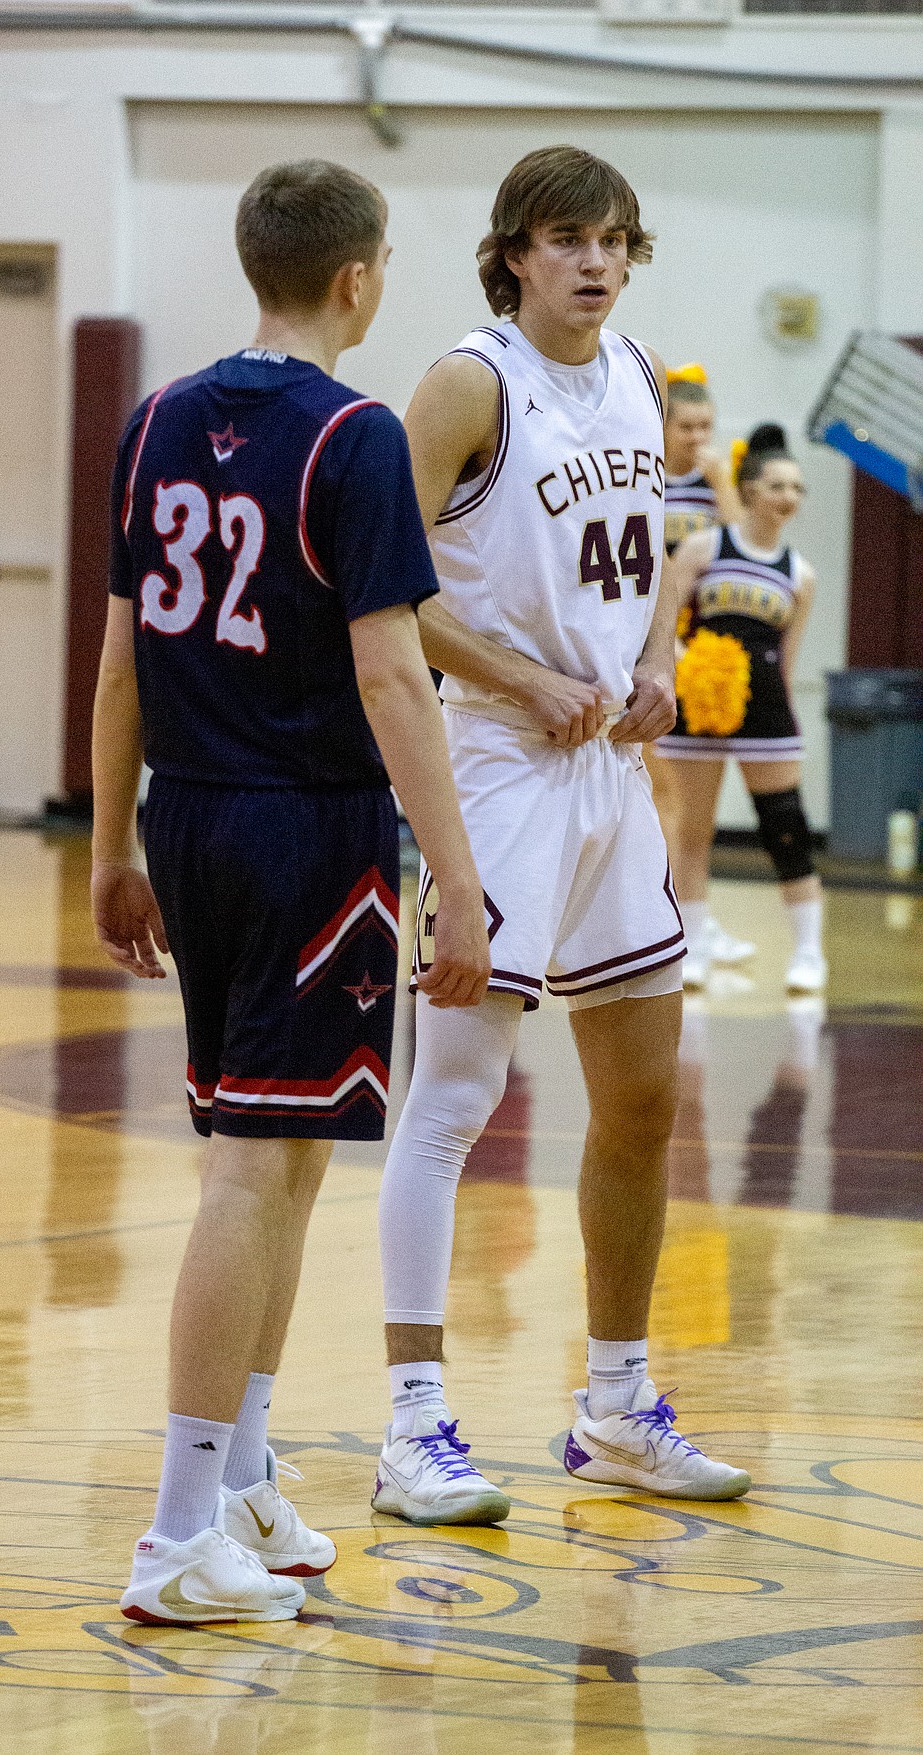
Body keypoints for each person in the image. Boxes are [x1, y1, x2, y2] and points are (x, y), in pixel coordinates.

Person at [91, 159, 491, 1625]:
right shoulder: (352, 435)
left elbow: (123, 654)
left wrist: (106, 847)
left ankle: (244, 1470)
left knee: (291, 1153)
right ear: (357, 278)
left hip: (192, 816)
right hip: (304, 832)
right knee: (253, 1168)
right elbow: (394, 670)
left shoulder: (150, 422)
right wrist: (458, 872)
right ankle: (177, 1530)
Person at [374, 144, 751, 1528]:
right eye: (565, 238)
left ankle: (613, 1402)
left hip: (604, 776)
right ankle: (412, 1422)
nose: (594, 261)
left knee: (643, 1099)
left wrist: (656, 653)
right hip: (491, 768)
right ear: (513, 253)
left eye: (613, 239)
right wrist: (515, 675)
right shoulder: (465, 382)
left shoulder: (643, 376)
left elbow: (651, 548)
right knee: (454, 1102)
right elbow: (379, 587)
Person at [656, 425, 825, 992]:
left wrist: (779, 708)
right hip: (698, 705)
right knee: (692, 831)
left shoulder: (801, 574)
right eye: (778, 485)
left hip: (765, 711)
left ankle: (808, 950)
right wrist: (688, 661)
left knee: (785, 826)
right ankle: (695, 943)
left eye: (797, 488)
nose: (790, 498)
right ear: (748, 488)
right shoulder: (707, 546)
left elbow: (787, 659)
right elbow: (665, 614)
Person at [646, 364, 754, 972]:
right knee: (665, 798)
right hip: (648, 652)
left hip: (705, 659)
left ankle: (696, 921)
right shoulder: (642, 481)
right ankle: (665, 923)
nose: (697, 436)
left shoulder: (716, 487)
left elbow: (748, 560)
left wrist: (723, 484)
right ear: (661, 425)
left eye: (707, 426)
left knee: (698, 807)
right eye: (686, 425)